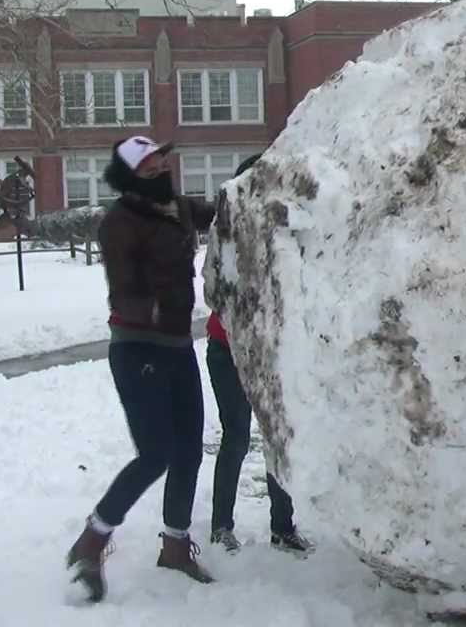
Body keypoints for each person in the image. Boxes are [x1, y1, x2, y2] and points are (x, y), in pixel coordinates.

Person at [65, 136, 215, 602]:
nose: (159, 167)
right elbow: (123, 287)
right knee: (156, 453)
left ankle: (174, 545)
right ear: (131, 175)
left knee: (189, 449)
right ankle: (93, 539)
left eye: (160, 160)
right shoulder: (120, 222)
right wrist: (155, 309)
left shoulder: (179, 208)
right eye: (149, 165)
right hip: (138, 347)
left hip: (177, 345)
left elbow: (222, 211)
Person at [206, 154, 314, 557]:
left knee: (275, 438)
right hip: (227, 350)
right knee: (235, 436)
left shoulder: (282, 231)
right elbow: (218, 292)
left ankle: (283, 528)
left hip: (271, 352)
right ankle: (221, 526)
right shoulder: (225, 233)